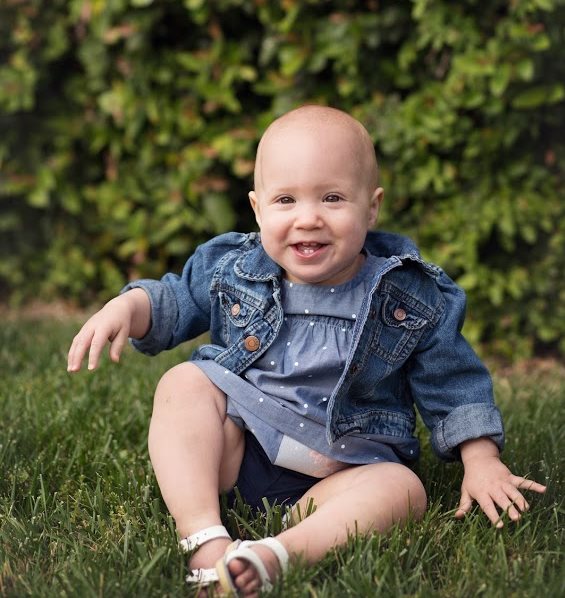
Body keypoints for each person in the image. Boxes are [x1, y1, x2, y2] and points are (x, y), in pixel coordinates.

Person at [67, 106, 546, 597]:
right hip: (240, 453)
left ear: (372, 207)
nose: (308, 217)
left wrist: (481, 458)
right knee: (184, 383)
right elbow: (174, 300)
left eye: (333, 198)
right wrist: (129, 306)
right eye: (286, 199)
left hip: (345, 472)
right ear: (257, 209)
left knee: (405, 491)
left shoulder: (409, 295)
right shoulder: (234, 266)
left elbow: (452, 382)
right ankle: (204, 536)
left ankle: (278, 554)